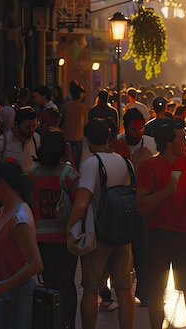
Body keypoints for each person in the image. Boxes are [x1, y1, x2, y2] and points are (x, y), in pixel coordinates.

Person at [137, 119, 186, 329]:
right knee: (157, 293)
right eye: (182, 138)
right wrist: (166, 191)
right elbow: (142, 205)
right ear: (168, 143)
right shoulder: (148, 166)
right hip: (158, 236)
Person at [65, 119, 135, 329]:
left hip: (99, 233)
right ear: (109, 137)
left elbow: (81, 203)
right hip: (123, 232)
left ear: (87, 140)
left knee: (91, 288)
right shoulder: (126, 163)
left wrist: (69, 228)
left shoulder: (91, 164)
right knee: (123, 289)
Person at [0, 158, 44, 329]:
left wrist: (0, 286)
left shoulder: (19, 218)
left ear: (1, 182)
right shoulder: (4, 211)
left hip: (14, 296)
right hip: (3, 294)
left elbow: (35, 264)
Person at [30, 129, 80, 329]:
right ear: (63, 150)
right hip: (65, 239)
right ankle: (69, 323)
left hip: (40, 240)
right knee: (67, 284)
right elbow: (79, 205)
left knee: (48, 283)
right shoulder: (68, 175)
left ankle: (51, 322)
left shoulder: (31, 175)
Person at [0, 106, 40, 178]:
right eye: (27, 127)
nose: (31, 130)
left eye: (34, 126)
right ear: (16, 124)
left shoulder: (36, 138)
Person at [61, 81, 88, 167]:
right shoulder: (82, 106)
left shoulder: (65, 105)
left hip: (68, 134)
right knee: (78, 155)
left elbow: (61, 119)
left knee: (70, 154)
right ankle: (76, 169)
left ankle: (71, 168)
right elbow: (86, 121)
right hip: (79, 134)